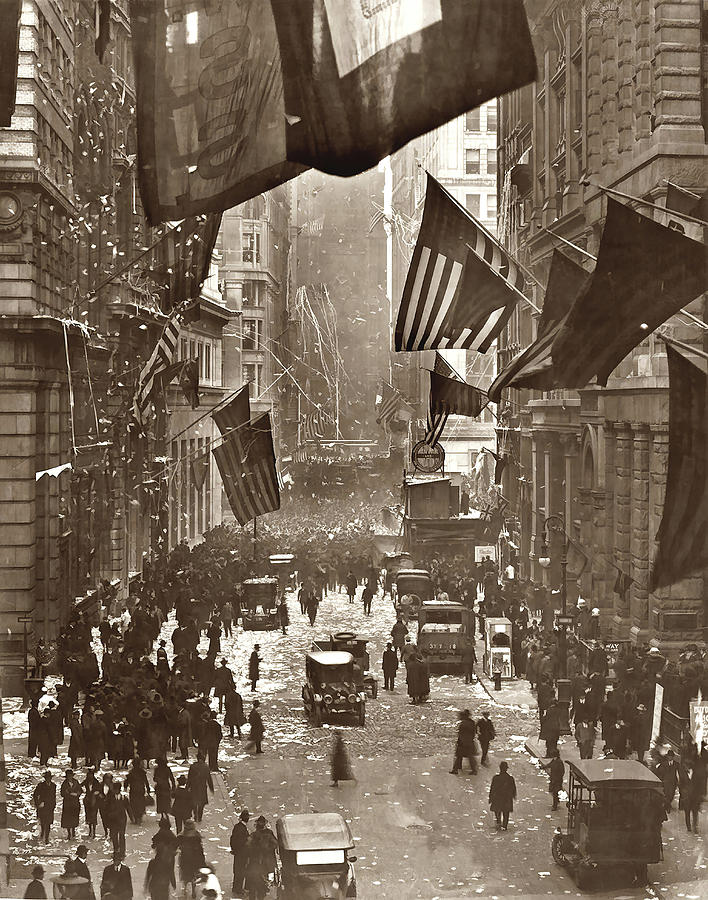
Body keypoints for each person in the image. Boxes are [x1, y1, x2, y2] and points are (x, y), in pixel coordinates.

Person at [245, 817, 277, 900]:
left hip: (254, 862)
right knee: (262, 882)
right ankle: (261, 895)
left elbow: (247, 846)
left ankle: (253, 896)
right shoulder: (269, 833)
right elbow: (275, 844)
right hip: (264, 863)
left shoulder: (253, 835)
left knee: (253, 882)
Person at [177, 820, 205, 899]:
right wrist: (202, 860)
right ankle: (193, 891)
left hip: (184, 858)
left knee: (185, 874)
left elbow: (177, 844)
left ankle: (185, 889)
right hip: (194, 858)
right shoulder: (196, 835)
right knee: (193, 874)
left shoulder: (181, 835)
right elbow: (200, 848)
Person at [489, 760, 517, 831]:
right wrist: (513, 795)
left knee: (497, 810)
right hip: (506, 798)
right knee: (506, 812)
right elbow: (513, 789)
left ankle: (498, 822)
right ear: (506, 769)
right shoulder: (510, 778)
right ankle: (505, 825)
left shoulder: (496, 778)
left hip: (498, 797)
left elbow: (492, 788)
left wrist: (491, 797)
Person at [186, 753, 214, 823]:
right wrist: (211, 788)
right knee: (201, 803)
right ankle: (199, 816)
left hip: (194, 787)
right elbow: (209, 779)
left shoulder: (193, 766)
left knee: (194, 802)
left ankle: (195, 815)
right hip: (202, 788)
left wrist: (187, 787)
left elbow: (189, 778)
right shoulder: (206, 767)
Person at [450, 709, 478, 775]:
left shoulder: (463, 724)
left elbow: (461, 734)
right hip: (470, 742)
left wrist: (460, 742)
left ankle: (456, 769)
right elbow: (474, 732)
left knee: (459, 756)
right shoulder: (472, 722)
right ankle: (473, 770)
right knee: (470, 757)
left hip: (463, 743)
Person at [230, 809, 250, 898]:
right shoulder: (243, 829)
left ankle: (235, 887)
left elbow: (232, 839)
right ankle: (238, 889)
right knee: (241, 871)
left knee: (237, 870)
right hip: (242, 853)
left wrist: (234, 849)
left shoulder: (237, 827)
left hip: (237, 853)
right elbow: (243, 842)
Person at [126, 758, 151, 825]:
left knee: (134, 804)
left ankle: (136, 817)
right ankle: (139, 817)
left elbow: (127, 782)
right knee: (140, 803)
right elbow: (146, 781)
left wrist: (125, 787)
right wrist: (148, 788)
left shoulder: (131, 773)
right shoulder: (142, 772)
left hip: (133, 790)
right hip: (140, 790)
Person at [33, 771, 56, 844]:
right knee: (43, 821)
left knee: (48, 822)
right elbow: (35, 794)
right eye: (47, 778)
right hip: (42, 806)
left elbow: (53, 796)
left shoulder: (53, 786)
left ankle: (46, 837)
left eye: (49, 778)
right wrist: (38, 804)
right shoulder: (41, 785)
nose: (48, 779)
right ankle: (43, 832)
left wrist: (54, 805)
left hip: (50, 806)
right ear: (45, 778)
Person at [60, 769, 82, 840]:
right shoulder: (64, 784)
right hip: (68, 803)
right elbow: (62, 793)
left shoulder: (76, 782)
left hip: (75, 803)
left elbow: (80, 790)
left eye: (70, 775)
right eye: (68, 776)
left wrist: (77, 794)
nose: (69, 777)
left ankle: (73, 830)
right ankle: (69, 833)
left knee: (74, 817)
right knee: (67, 818)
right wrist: (69, 794)